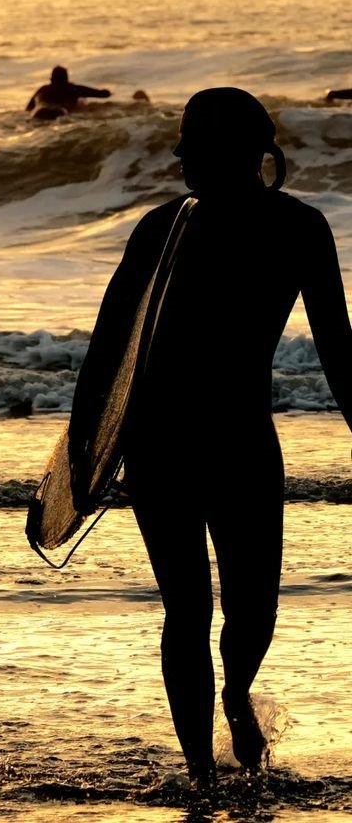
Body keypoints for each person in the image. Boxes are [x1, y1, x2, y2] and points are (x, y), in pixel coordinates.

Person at [68, 87, 352, 784]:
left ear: (250, 154)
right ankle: (199, 768)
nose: (183, 162)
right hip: (160, 443)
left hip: (244, 439)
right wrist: (83, 451)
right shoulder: (160, 228)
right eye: (185, 149)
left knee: (254, 607)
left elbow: (338, 349)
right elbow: (108, 345)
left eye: (195, 150)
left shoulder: (299, 229)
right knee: (186, 608)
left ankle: (235, 690)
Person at [25, 66, 111, 114]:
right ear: (66, 80)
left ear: (51, 79)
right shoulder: (72, 89)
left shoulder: (43, 89)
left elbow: (28, 109)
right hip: (60, 112)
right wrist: (107, 91)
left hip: (39, 113)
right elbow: (103, 94)